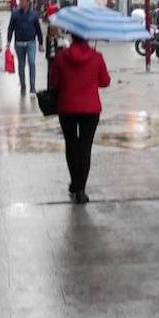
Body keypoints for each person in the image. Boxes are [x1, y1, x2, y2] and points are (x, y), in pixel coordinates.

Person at [49, 35, 111, 204]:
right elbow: (105, 82)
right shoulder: (96, 57)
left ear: (72, 36)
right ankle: (81, 189)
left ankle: (74, 183)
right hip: (91, 110)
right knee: (85, 148)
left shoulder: (62, 57)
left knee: (71, 145)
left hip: (67, 108)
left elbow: (54, 82)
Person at [7, 0, 44, 96]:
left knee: (32, 62)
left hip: (31, 42)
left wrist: (41, 43)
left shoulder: (33, 15)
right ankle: (23, 84)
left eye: (24, 1)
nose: (22, 3)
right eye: (21, 1)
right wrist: (9, 41)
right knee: (21, 65)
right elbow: (10, 28)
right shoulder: (15, 14)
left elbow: (38, 29)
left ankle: (32, 86)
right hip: (19, 43)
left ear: (28, 3)